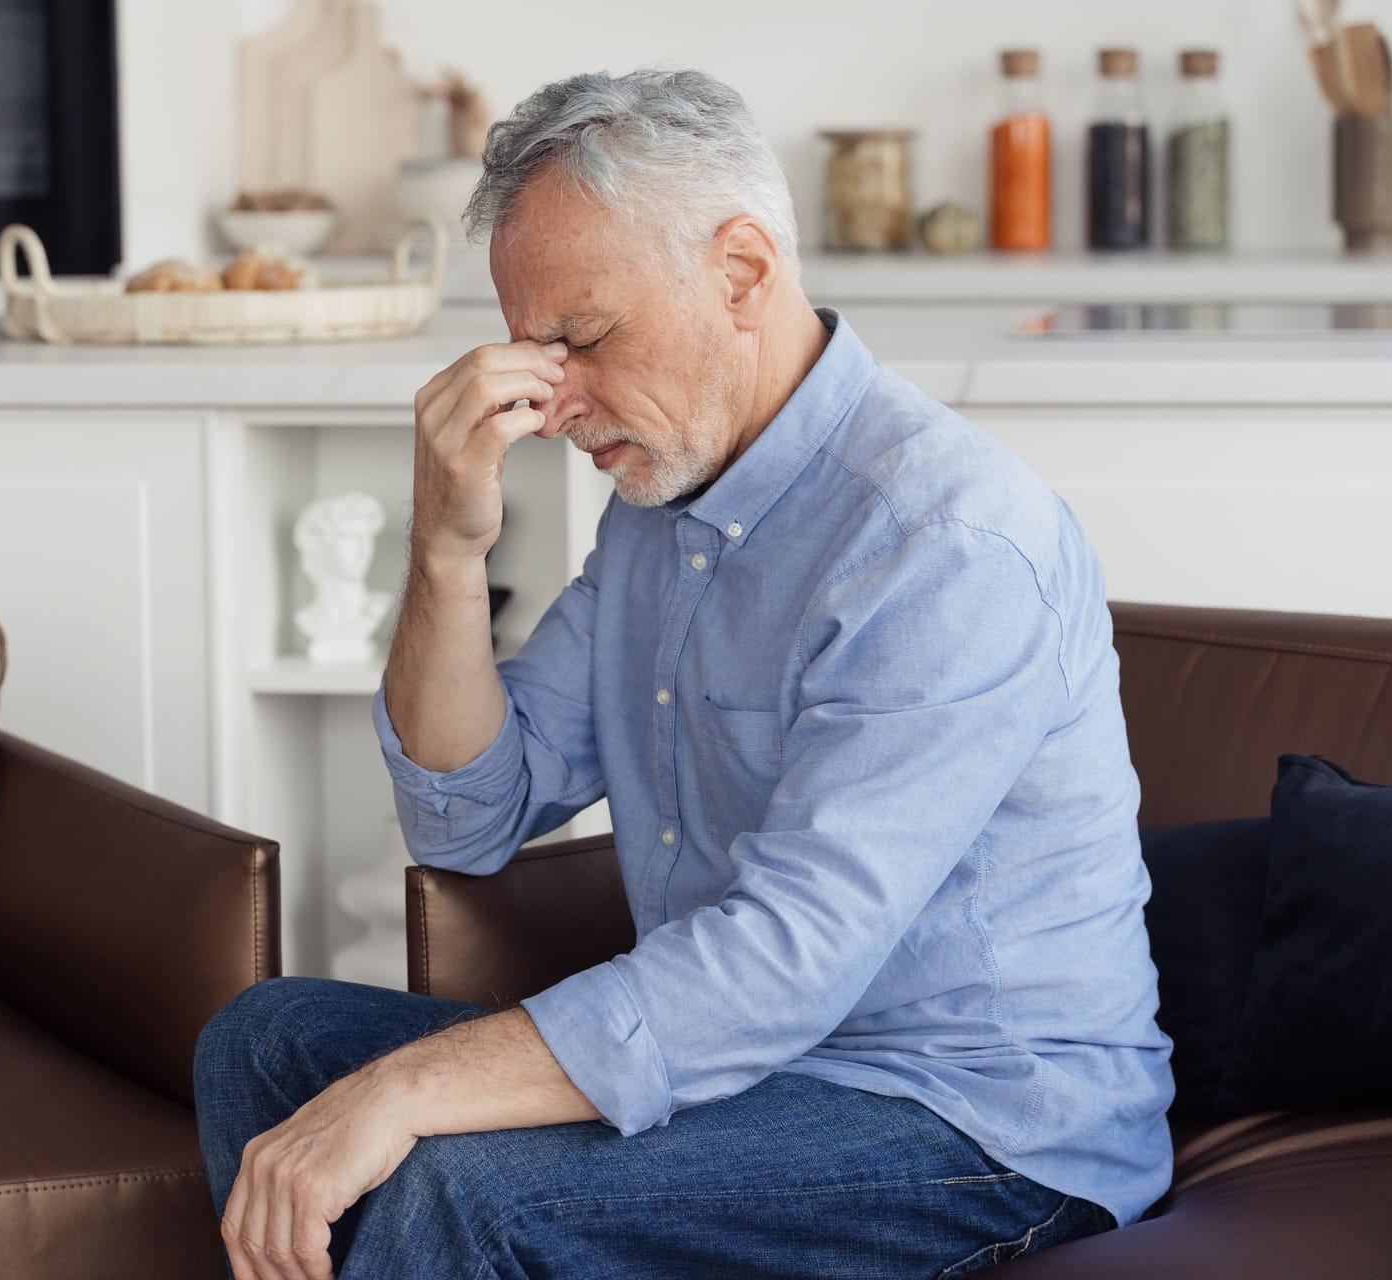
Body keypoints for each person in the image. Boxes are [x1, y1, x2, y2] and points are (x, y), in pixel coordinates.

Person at [194, 67, 1174, 1280]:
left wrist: (409, 1090)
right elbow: (467, 817)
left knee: (463, 1182)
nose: (552, 403)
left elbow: (783, 963)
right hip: (747, 1076)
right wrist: (446, 547)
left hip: (977, 1122)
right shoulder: (660, 507)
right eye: (530, 351)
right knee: (267, 1039)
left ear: (744, 272)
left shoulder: (945, 541)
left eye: (583, 338)